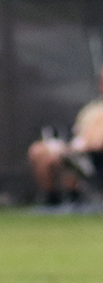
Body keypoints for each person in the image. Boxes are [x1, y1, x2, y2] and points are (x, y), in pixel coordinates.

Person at [27, 73, 103, 207]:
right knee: (37, 151)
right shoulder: (92, 109)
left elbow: (95, 142)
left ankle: (74, 196)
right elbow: (78, 133)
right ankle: (52, 199)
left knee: (58, 159)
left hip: (92, 157)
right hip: (75, 147)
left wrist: (80, 147)